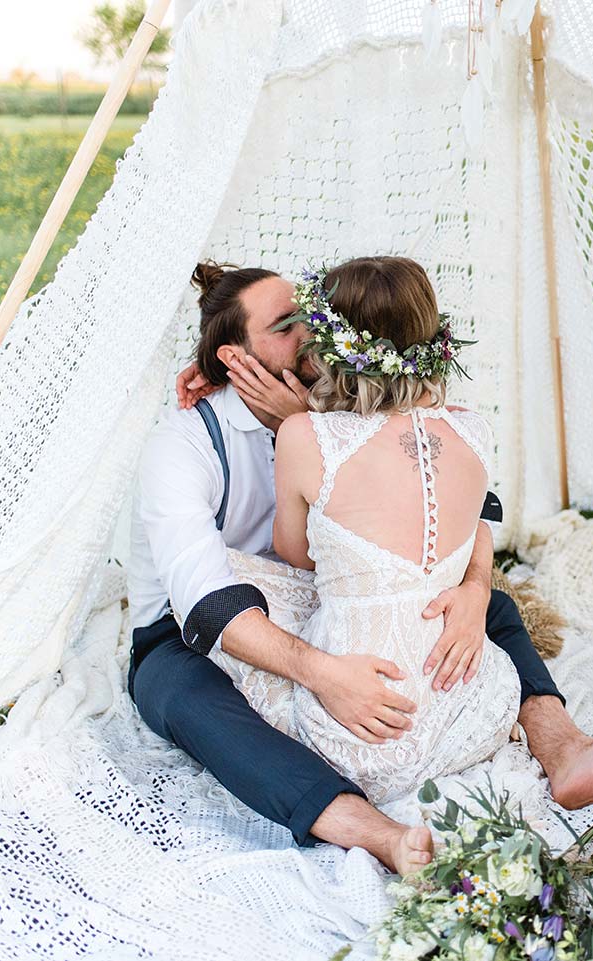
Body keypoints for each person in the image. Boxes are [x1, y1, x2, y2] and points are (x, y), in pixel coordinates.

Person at [126, 258, 593, 875]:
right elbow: (210, 606)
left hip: (325, 591)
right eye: (287, 326)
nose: (312, 335)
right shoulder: (182, 447)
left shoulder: (340, 403)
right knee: (183, 694)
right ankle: (371, 830)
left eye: (314, 316)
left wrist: (472, 587)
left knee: (484, 603)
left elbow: (465, 505)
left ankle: (563, 745)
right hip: (197, 627)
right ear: (234, 360)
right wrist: (325, 675)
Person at [209, 256, 520, 807]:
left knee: (226, 580)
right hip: (476, 707)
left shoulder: (305, 435)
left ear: (331, 345)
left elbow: (294, 553)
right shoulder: (473, 427)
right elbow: (475, 525)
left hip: (360, 730)